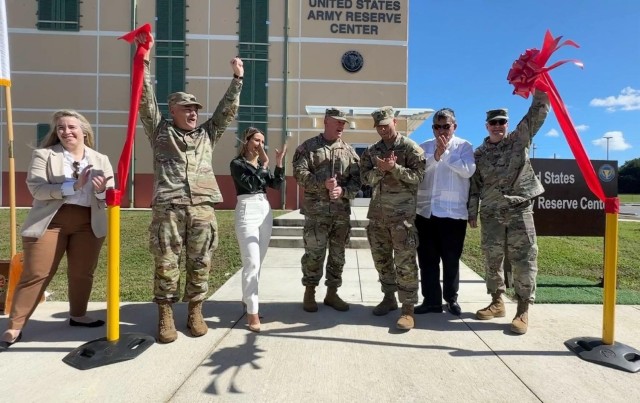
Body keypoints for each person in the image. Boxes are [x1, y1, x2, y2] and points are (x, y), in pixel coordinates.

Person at [136, 32, 244, 343]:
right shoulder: (160, 131)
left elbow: (226, 111)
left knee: (201, 261)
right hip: (168, 208)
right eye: (186, 109)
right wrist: (144, 59)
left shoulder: (207, 135)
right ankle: (166, 314)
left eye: (195, 108)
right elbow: (145, 99)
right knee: (167, 262)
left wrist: (237, 80)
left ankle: (195, 309)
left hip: (202, 208)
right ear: (173, 111)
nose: (193, 113)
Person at [0, 110, 114, 350]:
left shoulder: (100, 158)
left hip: (88, 222)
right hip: (50, 221)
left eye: (71, 127)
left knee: (83, 272)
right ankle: (15, 326)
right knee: (36, 273)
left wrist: (102, 190)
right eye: (61, 128)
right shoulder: (44, 155)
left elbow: (110, 195)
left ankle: (78, 315)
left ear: (83, 130)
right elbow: (37, 189)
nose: (66, 132)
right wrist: (73, 184)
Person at [468, 90, 550, 335]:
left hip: (518, 210)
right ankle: (497, 302)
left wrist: (540, 90)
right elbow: (474, 187)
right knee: (492, 259)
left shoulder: (518, 140)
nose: (497, 126)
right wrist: (472, 212)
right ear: (486, 126)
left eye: (501, 122)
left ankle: (523, 309)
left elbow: (537, 114)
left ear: (507, 124)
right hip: (491, 213)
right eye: (493, 123)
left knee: (523, 259)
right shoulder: (479, 155)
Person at [360, 106, 426, 330]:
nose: (382, 130)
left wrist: (394, 168)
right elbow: (365, 179)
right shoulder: (371, 151)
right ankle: (389, 298)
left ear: (395, 123)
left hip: (402, 218)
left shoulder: (410, 148)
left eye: (386, 125)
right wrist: (380, 170)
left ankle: (407, 309)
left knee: (405, 263)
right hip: (378, 217)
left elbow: (418, 177)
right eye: (379, 126)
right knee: (382, 261)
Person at [292, 108, 361, 313]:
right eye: (337, 122)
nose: (341, 126)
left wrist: (343, 191)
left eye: (343, 123)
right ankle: (310, 292)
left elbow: (357, 182)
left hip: (340, 214)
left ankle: (332, 293)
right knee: (314, 254)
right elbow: (299, 174)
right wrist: (323, 184)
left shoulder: (350, 152)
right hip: (316, 214)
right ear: (326, 121)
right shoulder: (308, 148)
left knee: (338, 255)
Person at [415, 108, 476, 316]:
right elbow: (418, 171)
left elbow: (468, 170)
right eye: (437, 127)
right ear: (432, 128)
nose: (441, 131)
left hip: (453, 214)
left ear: (454, 127)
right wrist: (436, 156)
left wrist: (446, 154)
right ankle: (431, 300)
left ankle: (451, 299)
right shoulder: (423, 147)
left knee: (451, 261)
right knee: (427, 260)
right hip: (426, 213)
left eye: (446, 126)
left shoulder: (464, 146)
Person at [230, 127, 286, 333]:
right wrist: (263, 165)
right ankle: (252, 313)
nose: (260, 145)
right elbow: (251, 183)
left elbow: (276, 185)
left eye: (262, 142)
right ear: (246, 141)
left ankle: (248, 302)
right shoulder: (237, 164)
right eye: (256, 140)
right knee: (251, 262)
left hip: (264, 209)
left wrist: (278, 164)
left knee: (258, 262)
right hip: (247, 209)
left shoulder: (261, 165)